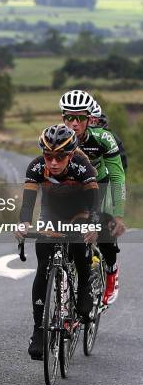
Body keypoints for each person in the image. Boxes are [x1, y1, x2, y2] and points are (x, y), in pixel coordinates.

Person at [16, 124, 99, 360]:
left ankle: (84, 286)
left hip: (80, 209)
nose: (53, 162)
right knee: (43, 264)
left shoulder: (82, 166)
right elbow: (28, 202)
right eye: (49, 156)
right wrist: (23, 224)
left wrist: (92, 224)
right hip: (52, 213)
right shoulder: (36, 167)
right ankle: (39, 331)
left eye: (60, 157)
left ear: (70, 155)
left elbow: (94, 201)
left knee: (78, 241)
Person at [60, 90, 126, 306]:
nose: (74, 123)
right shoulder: (58, 136)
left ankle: (111, 274)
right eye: (69, 117)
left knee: (104, 227)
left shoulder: (103, 138)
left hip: (102, 184)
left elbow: (117, 175)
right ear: (63, 118)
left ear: (89, 119)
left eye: (80, 118)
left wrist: (118, 213)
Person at [89, 101, 128, 172]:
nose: (92, 120)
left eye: (94, 117)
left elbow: (122, 164)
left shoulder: (109, 137)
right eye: (89, 118)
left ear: (98, 118)